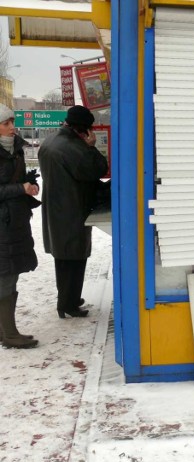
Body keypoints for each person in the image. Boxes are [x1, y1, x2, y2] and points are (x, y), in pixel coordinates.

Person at [38, 105, 108, 319]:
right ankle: (68, 304)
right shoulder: (73, 147)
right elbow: (98, 169)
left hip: (56, 206)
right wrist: (92, 147)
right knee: (75, 258)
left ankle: (68, 298)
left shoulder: (51, 141)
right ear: (83, 129)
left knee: (63, 257)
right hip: (72, 208)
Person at [0, 104, 41, 348]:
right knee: (6, 275)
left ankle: (5, 331)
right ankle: (10, 333)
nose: (12, 127)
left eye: (12, 122)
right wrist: (20, 189)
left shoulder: (16, 149)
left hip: (15, 221)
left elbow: (13, 180)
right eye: (5, 123)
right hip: (3, 224)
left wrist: (29, 184)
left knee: (10, 274)